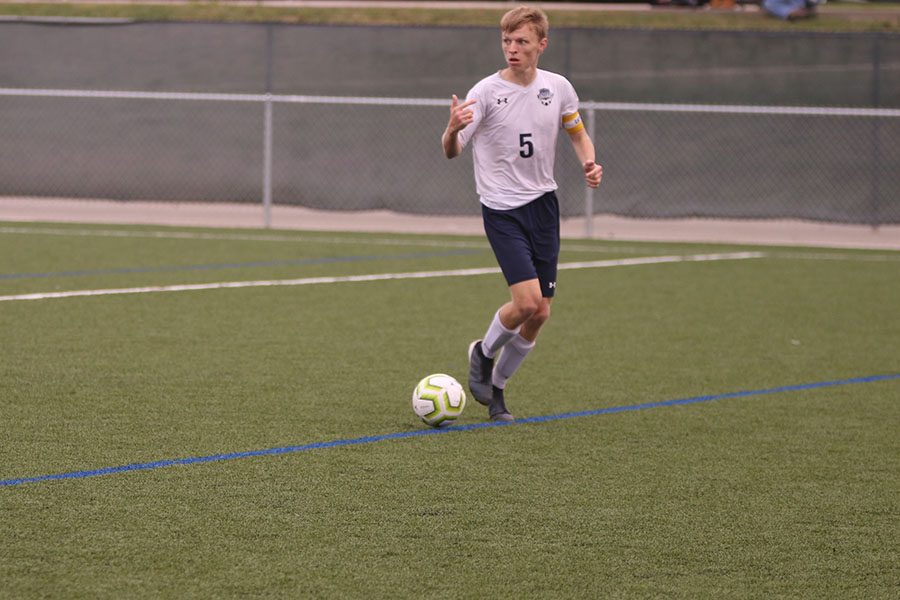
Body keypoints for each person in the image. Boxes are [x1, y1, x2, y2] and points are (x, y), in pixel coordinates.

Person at [441, 5, 603, 422]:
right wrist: (452, 129)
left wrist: (590, 161)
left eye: (522, 42)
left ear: (541, 45)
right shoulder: (486, 92)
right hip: (502, 209)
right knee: (527, 301)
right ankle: (482, 351)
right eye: (506, 41)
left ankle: (497, 391)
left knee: (541, 312)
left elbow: (577, 132)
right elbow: (452, 151)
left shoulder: (558, 87)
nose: (512, 49)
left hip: (543, 206)